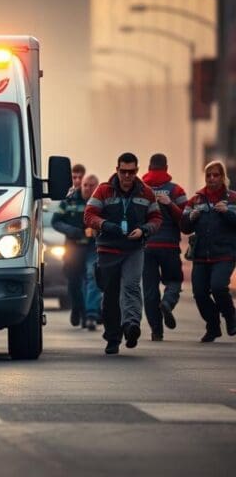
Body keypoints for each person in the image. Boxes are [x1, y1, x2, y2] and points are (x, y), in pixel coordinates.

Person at [84, 152, 162, 355]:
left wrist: (144, 230)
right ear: (117, 170)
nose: (127, 176)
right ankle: (113, 337)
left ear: (137, 171)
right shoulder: (103, 191)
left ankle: (131, 326)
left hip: (133, 249)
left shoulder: (146, 193)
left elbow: (156, 218)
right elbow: (89, 214)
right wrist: (105, 224)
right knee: (110, 294)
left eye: (131, 172)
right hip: (108, 250)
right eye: (123, 172)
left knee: (131, 286)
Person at [180, 160, 236, 342]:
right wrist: (191, 217)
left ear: (223, 177)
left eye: (216, 175)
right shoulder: (196, 199)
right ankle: (213, 326)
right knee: (200, 293)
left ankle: (231, 317)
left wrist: (228, 212)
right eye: (208, 175)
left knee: (219, 287)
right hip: (201, 255)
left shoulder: (232, 198)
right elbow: (184, 226)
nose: (212, 178)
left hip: (225, 253)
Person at [140, 153, 188, 341]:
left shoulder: (140, 189)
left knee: (150, 290)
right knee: (174, 280)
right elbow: (185, 219)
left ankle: (156, 331)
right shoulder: (176, 191)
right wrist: (170, 206)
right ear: (166, 168)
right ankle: (167, 302)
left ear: (149, 167)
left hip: (146, 246)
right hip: (169, 246)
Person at [52, 173, 101, 330]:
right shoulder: (70, 199)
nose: (87, 188)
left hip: (93, 247)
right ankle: (78, 309)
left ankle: (91, 314)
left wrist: (97, 229)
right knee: (74, 281)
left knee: (92, 276)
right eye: (85, 185)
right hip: (74, 247)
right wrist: (75, 231)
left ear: (97, 186)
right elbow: (56, 221)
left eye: (91, 185)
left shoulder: (102, 202)